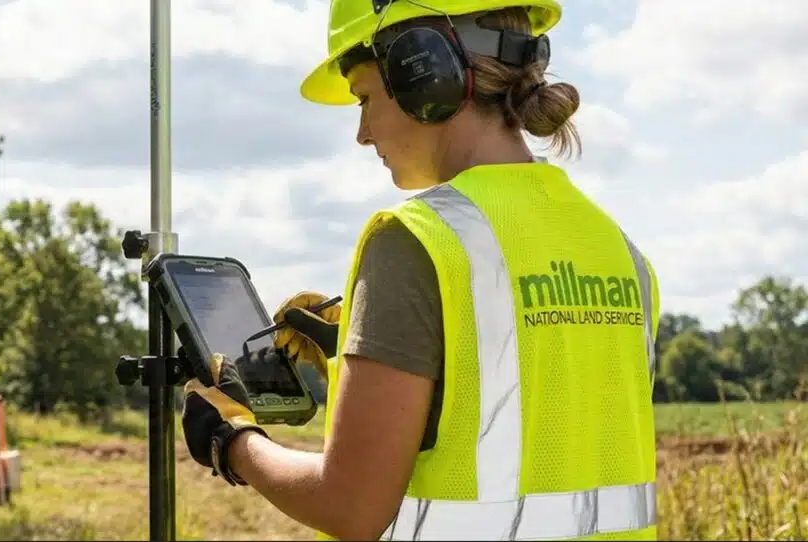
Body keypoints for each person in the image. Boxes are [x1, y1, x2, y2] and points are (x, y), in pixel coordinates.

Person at [179, 0, 661, 540]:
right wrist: (379, 347)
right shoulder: (619, 250)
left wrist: (232, 439)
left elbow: (350, 507)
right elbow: (535, 406)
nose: (362, 133)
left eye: (364, 99)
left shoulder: (414, 240)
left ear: (423, 72)